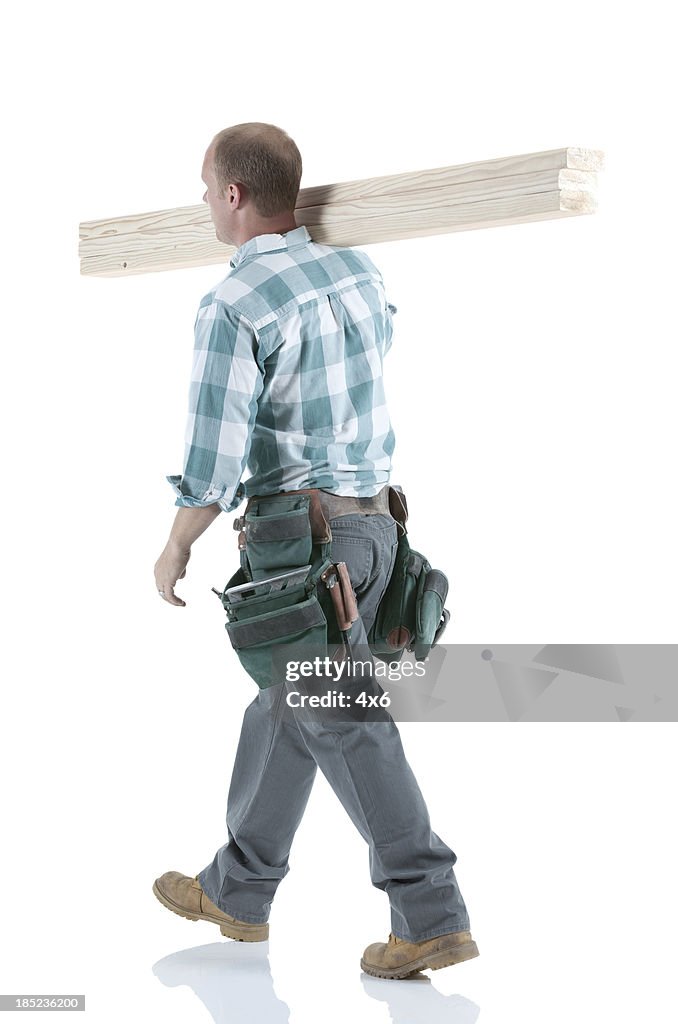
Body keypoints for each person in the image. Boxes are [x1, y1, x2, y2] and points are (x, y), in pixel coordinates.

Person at [152, 122, 478, 979]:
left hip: (298, 543)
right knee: (286, 705)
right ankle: (239, 889)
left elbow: (213, 454)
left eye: (203, 187)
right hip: (375, 531)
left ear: (232, 195)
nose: (199, 201)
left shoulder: (233, 304)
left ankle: (430, 913)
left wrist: (177, 543)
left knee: (338, 715)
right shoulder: (359, 272)